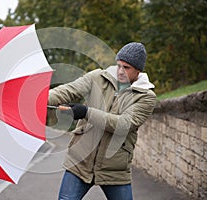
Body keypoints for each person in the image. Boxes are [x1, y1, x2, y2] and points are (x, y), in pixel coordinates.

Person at [48, 42, 157, 200]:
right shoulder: (98, 77)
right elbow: (68, 90)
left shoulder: (146, 97)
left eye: (126, 68)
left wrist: (86, 112)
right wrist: (37, 99)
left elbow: (123, 124)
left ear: (138, 71)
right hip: (80, 161)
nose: (120, 71)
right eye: (118, 65)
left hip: (114, 168)